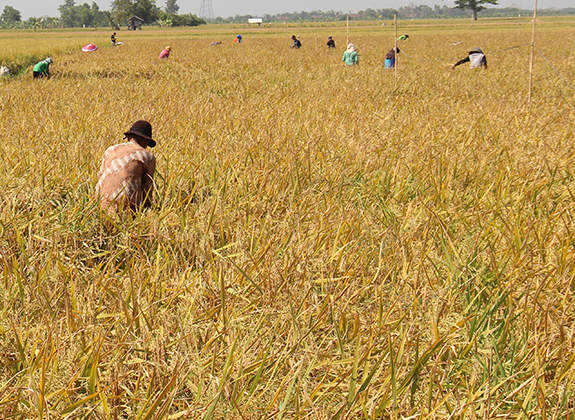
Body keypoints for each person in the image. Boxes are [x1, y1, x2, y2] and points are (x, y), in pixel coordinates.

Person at [96, 120, 157, 214]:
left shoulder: (110, 150)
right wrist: (148, 211)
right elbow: (147, 187)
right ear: (146, 141)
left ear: (128, 137)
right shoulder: (147, 156)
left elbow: (100, 177)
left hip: (100, 206)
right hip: (126, 210)